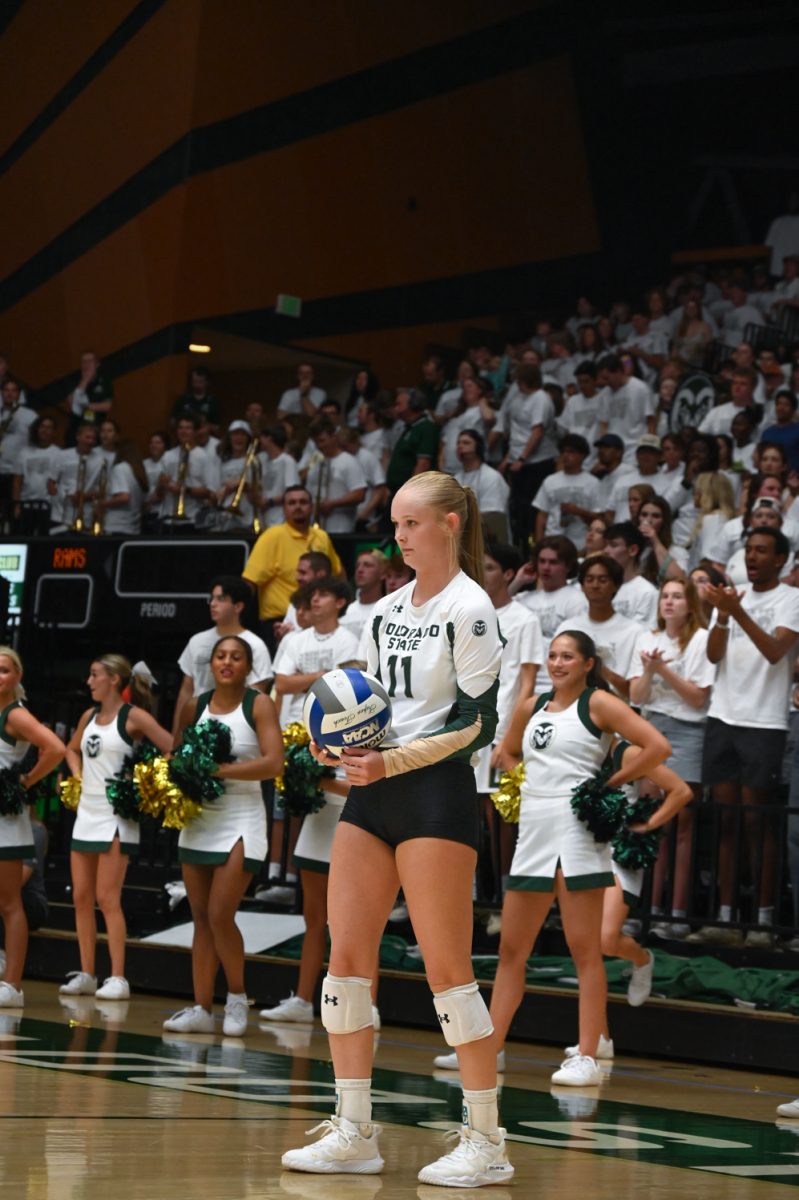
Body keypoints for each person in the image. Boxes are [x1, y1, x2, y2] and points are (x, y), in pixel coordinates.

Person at [282, 472, 514, 1187]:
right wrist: (335, 743)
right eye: (394, 525)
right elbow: (373, 703)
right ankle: (354, 1130)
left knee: (448, 973)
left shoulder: (471, 608)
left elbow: (476, 723)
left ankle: (486, 1140)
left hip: (433, 794)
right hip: (373, 791)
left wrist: (391, 761)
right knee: (345, 964)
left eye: (411, 524)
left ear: (449, 523)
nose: (398, 537)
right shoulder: (381, 610)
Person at [485, 631, 669, 1086]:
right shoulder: (529, 706)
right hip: (532, 832)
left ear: (588, 663)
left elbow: (657, 748)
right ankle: (489, 1049)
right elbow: (504, 753)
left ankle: (587, 1055)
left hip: (577, 834)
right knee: (511, 950)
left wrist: (608, 783)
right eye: (551, 655)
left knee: (584, 949)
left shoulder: (598, 705)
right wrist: (522, 782)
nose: (556, 662)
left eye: (567, 656)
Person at [163, 636, 283, 1035]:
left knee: (220, 913)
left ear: (248, 666)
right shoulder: (193, 706)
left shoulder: (259, 704)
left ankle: (236, 996)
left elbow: (273, 763)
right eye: (220, 656)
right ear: (210, 664)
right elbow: (175, 756)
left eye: (236, 657)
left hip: (243, 818)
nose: (227, 662)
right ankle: (200, 1007)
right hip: (199, 819)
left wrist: (218, 771)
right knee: (199, 917)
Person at [688, 528, 799, 948]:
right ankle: (725, 916)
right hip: (722, 716)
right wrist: (721, 615)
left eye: (762, 551)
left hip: (764, 722)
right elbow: (714, 655)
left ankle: (764, 920)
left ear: (781, 560)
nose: (752, 557)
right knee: (726, 820)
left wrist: (736, 611)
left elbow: (775, 651)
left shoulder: (791, 599)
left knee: (757, 822)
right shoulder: (735, 599)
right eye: (749, 550)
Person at [61, 657, 173, 1000]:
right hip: (87, 812)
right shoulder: (88, 716)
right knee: (81, 897)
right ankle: (87, 973)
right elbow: (71, 748)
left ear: (112, 679)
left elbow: (171, 747)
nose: (89, 680)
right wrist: (77, 776)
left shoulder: (133, 716)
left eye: (94, 675)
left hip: (116, 816)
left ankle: (119, 978)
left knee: (106, 898)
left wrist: (145, 782)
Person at [629, 579, 716, 938]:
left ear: (690, 603)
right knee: (651, 822)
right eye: (665, 596)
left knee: (681, 825)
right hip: (652, 729)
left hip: (689, 731)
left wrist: (663, 670)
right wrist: (649, 671)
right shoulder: (647, 637)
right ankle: (645, 909)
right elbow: (636, 694)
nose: (669, 602)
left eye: (677, 597)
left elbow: (697, 698)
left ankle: (676, 913)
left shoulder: (700, 638)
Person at [0, 648, 65, 1008]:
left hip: (5, 822)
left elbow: (54, 748)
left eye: (5, 670)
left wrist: (23, 782)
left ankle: (12, 985)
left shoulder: (16, 715)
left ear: (17, 677)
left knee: (9, 903)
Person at [242, 485, 343, 654]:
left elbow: (338, 574)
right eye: (292, 502)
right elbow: (249, 582)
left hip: (319, 619)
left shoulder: (321, 536)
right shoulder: (271, 536)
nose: (298, 506)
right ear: (284, 508)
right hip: (279, 622)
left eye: (303, 502)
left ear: (311, 507)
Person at [171, 577, 273, 741]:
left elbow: (257, 694)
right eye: (212, 598)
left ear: (238, 606)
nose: (213, 604)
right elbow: (186, 690)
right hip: (196, 724)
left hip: (236, 731)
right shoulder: (197, 641)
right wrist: (176, 733)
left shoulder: (255, 645)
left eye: (221, 599)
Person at [556, 556, 643, 698]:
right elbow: (557, 681)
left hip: (617, 709)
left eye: (602, 580)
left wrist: (598, 668)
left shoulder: (634, 631)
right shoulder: (567, 628)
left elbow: (632, 693)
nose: (595, 585)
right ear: (582, 586)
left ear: (616, 585)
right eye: (589, 580)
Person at [509, 536, 587, 694]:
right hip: (521, 680)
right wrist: (518, 581)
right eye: (542, 561)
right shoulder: (524, 598)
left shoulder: (577, 600)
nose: (545, 567)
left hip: (555, 681)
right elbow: (495, 610)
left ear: (568, 566)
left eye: (553, 562)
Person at [533, 434, 600, 551]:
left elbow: (599, 518)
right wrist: (539, 543)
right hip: (552, 541)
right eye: (563, 451)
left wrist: (578, 511)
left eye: (571, 452)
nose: (566, 455)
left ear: (583, 455)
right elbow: (542, 515)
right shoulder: (550, 481)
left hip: (581, 544)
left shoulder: (593, 483)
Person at [452, 429, 510, 543]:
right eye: (458, 443)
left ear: (478, 448)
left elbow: (493, 516)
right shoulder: (455, 479)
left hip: (491, 540)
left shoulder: (492, 476)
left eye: (466, 443)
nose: (460, 446)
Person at [604, 522, 659, 627]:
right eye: (606, 545)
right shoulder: (598, 587)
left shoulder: (647, 592)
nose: (605, 551)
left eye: (613, 545)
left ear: (632, 550)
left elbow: (646, 633)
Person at [637, 496, 688, 585]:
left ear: (664, 521)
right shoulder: (633, 548)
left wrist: (655, 540)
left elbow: (679, 581)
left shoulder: (677, 552)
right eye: (644, 515)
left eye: (655, 516)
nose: (648, 520)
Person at [257, 425, 301, 528]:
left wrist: (269, 501)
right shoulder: (262, 460)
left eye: (262, 437)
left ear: (269, 438)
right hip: (263, 519)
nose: (259, 441)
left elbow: (293, 492)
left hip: (280, 519)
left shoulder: (288, 461)